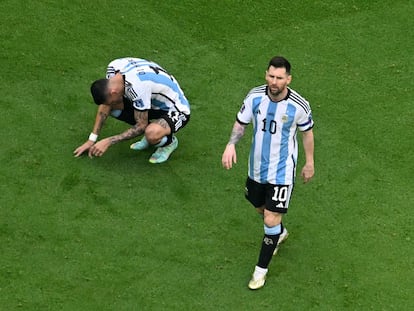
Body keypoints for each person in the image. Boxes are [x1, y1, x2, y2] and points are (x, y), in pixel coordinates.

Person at [221, 56, 314, 290]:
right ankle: (278, 233)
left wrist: (309, 163)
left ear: (288, 79)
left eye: (279, 78)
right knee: (259, 208)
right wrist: (231, 144)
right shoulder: (255, 97)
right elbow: (241, 123)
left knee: (271, 216)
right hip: (256, 168)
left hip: (282, 171)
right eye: (271, 76)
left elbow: (307, 134)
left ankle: (260, 271)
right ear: (266, 75)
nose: (274, 81)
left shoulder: (299, 106)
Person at [73, 57, 190, 163]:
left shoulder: (138, 88)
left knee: (151, 133)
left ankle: (168, 142)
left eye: (111, 100)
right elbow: (105, 106)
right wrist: (91, 140)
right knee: (110, 107)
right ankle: (156, 131)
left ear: (113, 92)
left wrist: (109, 141)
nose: (112, 103)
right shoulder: (113, 69)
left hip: (176, 108)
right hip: (152, 100)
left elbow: (141, 126)